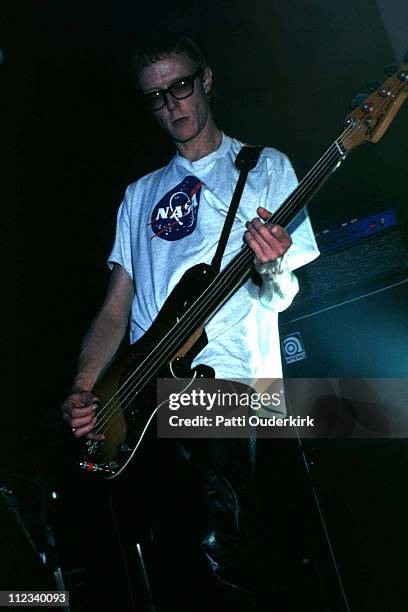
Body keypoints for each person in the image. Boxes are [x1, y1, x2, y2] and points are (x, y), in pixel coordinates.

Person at [61, 35, 319, 611]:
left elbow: (283, 297)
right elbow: (113, 308)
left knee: (222, 557)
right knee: (168, 567)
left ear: (206, 80)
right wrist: (84, 388)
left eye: (179, 86)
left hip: (229, 386)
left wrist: (272, 267)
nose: (170, 104)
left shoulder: (266, 166)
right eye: (155, 97)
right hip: (144, 400)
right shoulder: (139, 195)